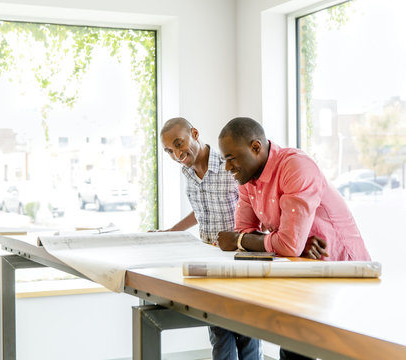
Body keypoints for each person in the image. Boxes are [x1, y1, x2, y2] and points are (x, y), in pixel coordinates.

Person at [217, 117, 371, 359]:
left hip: (342, 271)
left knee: (346, 352)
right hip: (302, 271)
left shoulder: (295, 166)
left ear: (256, 147)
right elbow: (248, 230)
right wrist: (285, 243)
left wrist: (243, 241)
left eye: (231, 158)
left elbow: (279, 243)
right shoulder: (248, 179)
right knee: (292, 348)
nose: (227, 168)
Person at [159, 117, 262, 360]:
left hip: (239, 260)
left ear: (194, 133)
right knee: (219, 334)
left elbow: (254, 209)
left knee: (246, 335)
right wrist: (170, 232)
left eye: (179, 144)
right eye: (169, 151)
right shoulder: (187, 172)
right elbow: (201, 209)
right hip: (210, 264)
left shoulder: (229, 164)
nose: (176, 154)